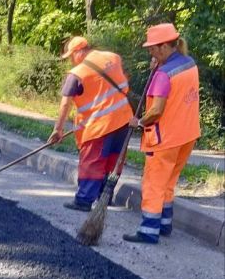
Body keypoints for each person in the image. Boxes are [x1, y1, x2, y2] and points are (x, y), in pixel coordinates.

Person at [123, 23, 200, 244]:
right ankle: (165, 224)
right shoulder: (189, 64)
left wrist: (138, 122)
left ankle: (148, 230)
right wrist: (157, 67)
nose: (150, 52)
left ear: (165, 46)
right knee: (168, 182)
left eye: (153, 48)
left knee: (154, 184)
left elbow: (156, 110)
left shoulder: (164, 74)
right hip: (187, 134)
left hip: (164, 138)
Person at [49, 36, 131, 211]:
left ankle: (84, 200)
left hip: (99, 125)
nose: (71, 60)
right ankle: (105, 197)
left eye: (71, 56)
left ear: (79, 52)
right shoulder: (113, 58)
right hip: (124, 120)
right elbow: (122, 84)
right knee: (113, 161)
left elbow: (65, 103)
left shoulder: (77, 73)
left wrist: (58, 129)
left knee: (92, 162)